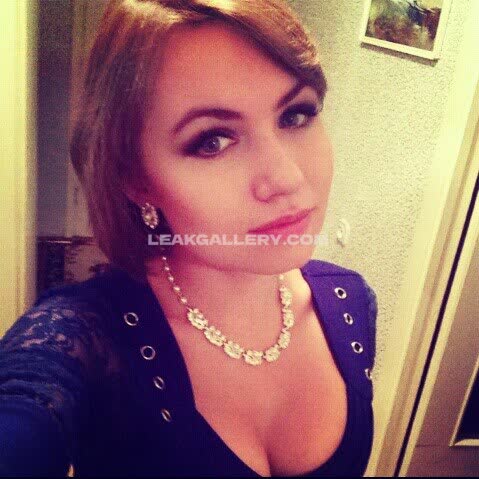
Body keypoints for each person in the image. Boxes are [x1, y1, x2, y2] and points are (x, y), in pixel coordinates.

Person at [0, 0, 378, 477]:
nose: (287, 178)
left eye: (296, 115)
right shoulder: (84, 337)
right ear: (136, 180)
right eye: (212, 141)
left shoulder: (351, 303)